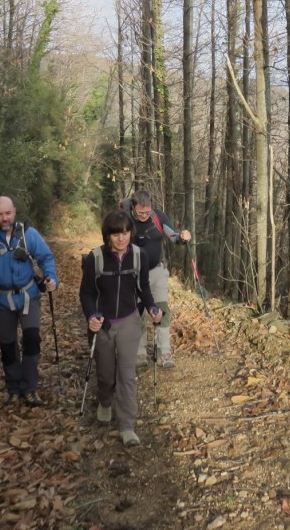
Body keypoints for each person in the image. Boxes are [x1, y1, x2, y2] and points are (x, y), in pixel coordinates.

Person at [79, 209, 162, 446]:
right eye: (116, 233)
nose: (121, 238)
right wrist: (91, 316)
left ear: (130, 233)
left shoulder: (139, 256)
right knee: (106, 374)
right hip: (102, 324)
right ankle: (105, 401)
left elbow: (143, 288)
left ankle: (127, 425)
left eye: (125, 232)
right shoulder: (94, 258)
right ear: (108, 235)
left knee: (127, 375)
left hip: (129, 321)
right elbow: (86, 293)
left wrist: (153, 308)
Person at [0, 196, 58, 407]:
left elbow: (46, 258)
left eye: (7, 213)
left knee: (32, 339)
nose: (4, 218)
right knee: (7, 345)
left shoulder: (28, 235)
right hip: (1, 300)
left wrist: (52, 277)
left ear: (14, 212)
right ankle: (13, 389)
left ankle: (30, 388)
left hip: (28, 295)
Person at [119, 189, 191, 368]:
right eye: (140, 212)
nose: (144, 215)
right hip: (132, 273)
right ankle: (139, 352)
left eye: (147, 210)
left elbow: (173, 236)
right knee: (137, 311)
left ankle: (163, 353)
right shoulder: (125, 219)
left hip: (156, 271)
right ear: (133, 207)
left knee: (161, 308)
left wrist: (182, 237)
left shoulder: (157, 217)